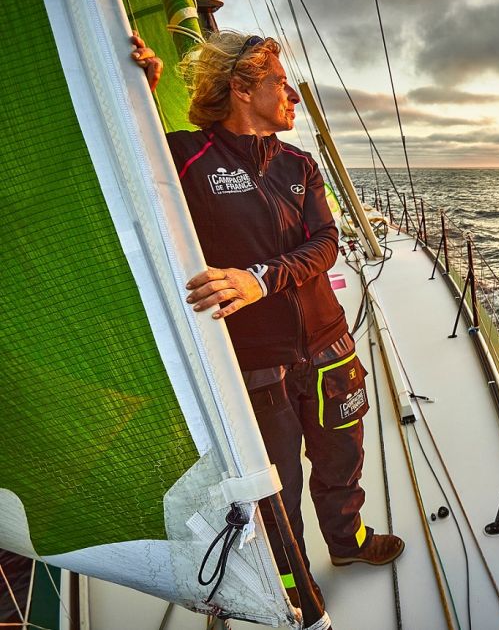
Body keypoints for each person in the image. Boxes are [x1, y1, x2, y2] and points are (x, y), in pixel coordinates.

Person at [131, 32, 404, 598]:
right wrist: (138, 88)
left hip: (329, 346)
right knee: (273, 486)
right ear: (241, 87)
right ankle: (293, 584)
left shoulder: (299, 164)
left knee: (342, 456)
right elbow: (126, 163)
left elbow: (326, 242)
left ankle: (347, 541)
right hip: (255, 363)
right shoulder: (186, 157)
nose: (294, 96)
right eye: (281, 82)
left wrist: (259, 280)